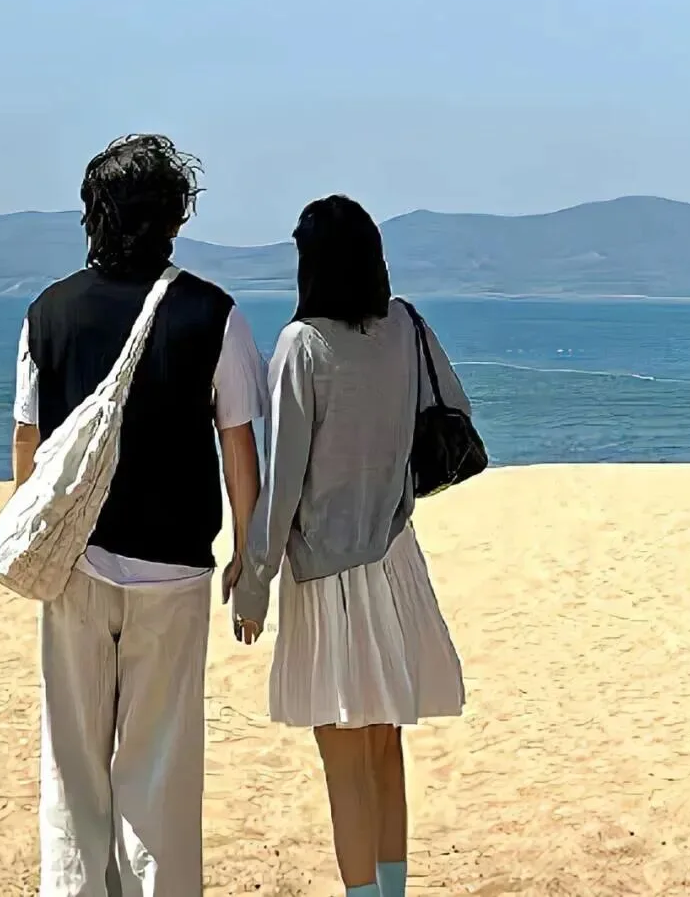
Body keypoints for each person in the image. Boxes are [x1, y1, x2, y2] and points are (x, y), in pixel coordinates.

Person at [11, 133, 267, 897]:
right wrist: (248, 557)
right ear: (175, 217)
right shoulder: (213, 313)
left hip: (75, 566)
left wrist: (37, 539)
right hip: (175, 570)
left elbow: (28, 441)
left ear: (92, 214)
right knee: (160, 766)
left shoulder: (47, 313)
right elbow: (239, 448)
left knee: (73, 764)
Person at [231, 195, 468, 897]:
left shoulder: (301, 346)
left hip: (326, 575)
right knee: (384, 749)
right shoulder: (405, 325)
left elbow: (283, 484)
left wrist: (253, 583)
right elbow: (452, 408)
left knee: (343, 762)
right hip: (395, 560)